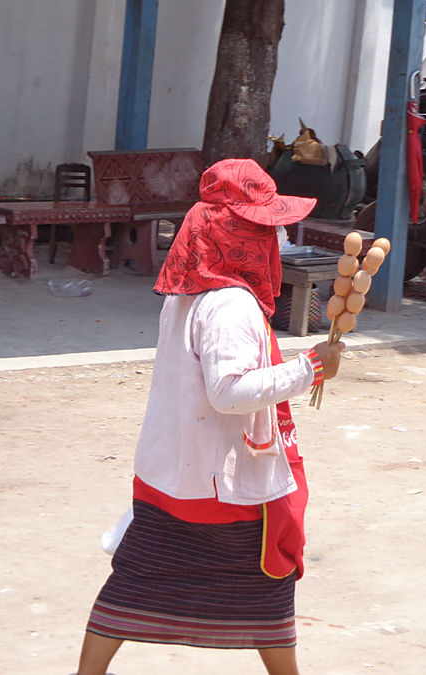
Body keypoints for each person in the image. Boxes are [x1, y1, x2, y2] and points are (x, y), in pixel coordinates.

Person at [76, 158, 345, 675]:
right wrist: (309, 367)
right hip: (221, 484)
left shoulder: (188, 293)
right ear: (241, 237)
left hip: (173, 472)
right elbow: (229, 392)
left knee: (135, 582)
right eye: (268, 229)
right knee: (267, 585)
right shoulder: (230, 305)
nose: (279, 239)